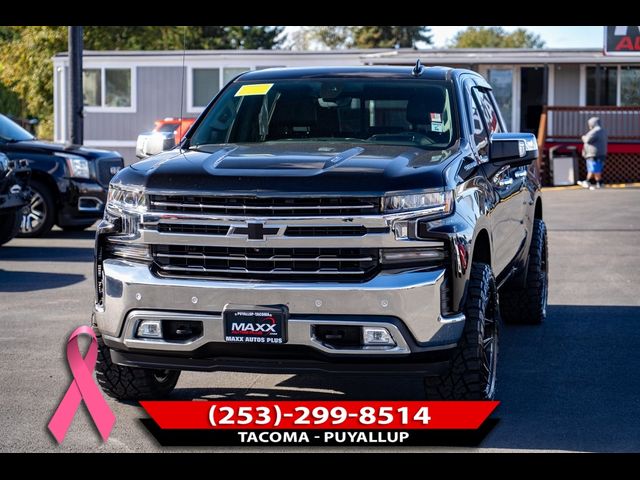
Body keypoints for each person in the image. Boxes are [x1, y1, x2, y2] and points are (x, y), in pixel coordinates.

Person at [577, 116, 608, 190]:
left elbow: (587, 139)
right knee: (595, 168)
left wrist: (583, 137)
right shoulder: (602, 130)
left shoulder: (595, 131)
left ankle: (588, 181)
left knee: (593, 168)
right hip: (600, 153)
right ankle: (599, 182)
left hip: (593, 153)